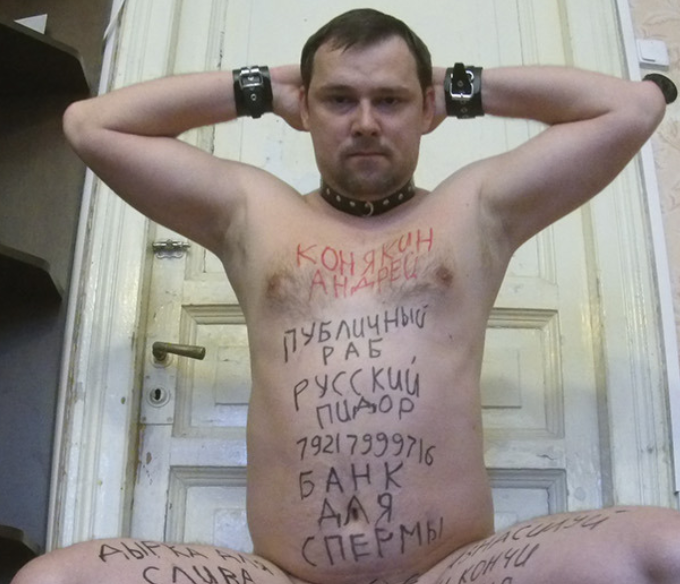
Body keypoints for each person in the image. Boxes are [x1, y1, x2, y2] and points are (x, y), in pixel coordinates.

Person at [13, 8, 680, 584]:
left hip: (456, 571)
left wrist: (461, 87)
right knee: (51, 578)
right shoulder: (249, 212)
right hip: (282, 577)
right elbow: (91, 125)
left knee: (669, 549)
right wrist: (259, 87)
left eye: (390, 100)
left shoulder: (478, 209)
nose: (365, 122)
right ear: (303, 108)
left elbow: (634, 107)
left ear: (427, 108)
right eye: (339, 100)